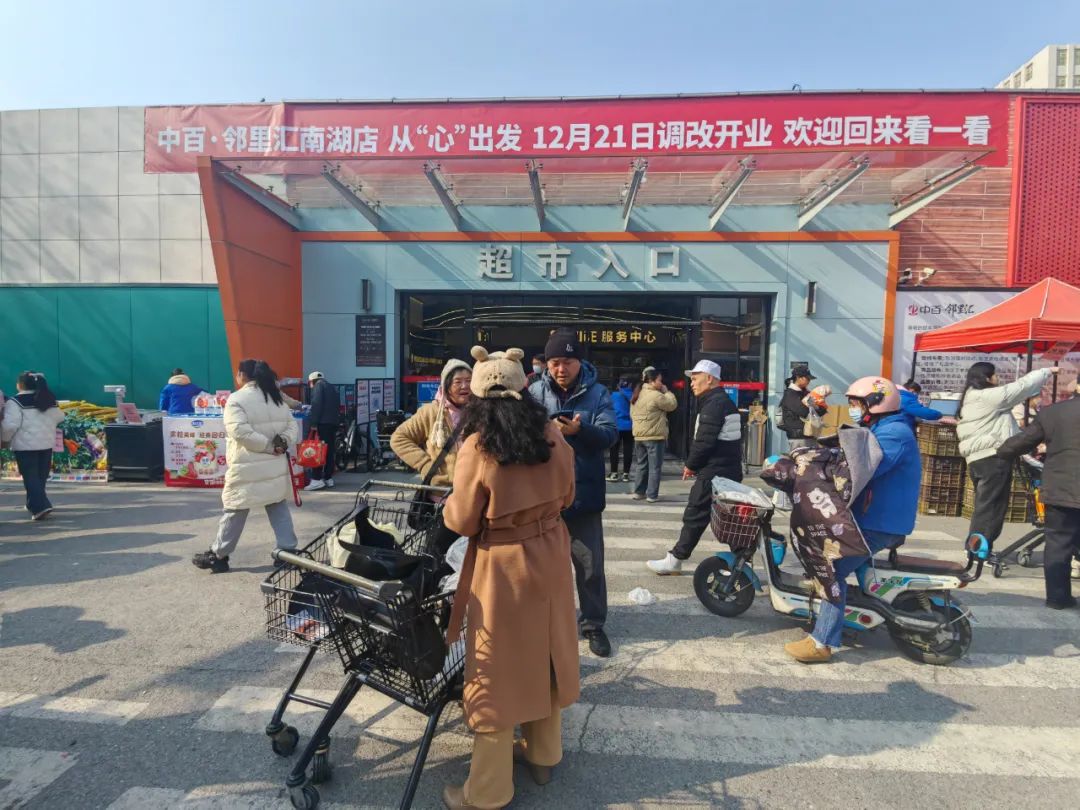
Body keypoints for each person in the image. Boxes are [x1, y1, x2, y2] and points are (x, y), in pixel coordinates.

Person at [441, 346, 579, 810]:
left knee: (496, 671)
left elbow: (463, 520)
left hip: (503, 563)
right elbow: (568, 495)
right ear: (525, 388)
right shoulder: (552, 434)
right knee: (546, 652)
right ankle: (543, 755)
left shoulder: (478, 446)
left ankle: (487, 791)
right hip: (551, 551)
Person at [529, 329, 618, 658]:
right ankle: (544, 622)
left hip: (584, 494)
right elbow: (520, 434)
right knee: (541, 567)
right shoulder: (535, 392)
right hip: (544, 497)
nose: (560, 368)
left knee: (589, 565)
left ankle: (593, 623)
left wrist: (581, 430)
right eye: (554, 362)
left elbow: (610, 435)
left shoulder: (598, 394)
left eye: (567, 361)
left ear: (579, 362)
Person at [192, 359, 299, 573]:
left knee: (236, 508)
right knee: (277, 505)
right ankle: (288, 553)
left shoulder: (237, 399)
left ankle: (219, 555)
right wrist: (282, 443)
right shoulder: (275, 397)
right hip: (274, 464)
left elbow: (239, 431)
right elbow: (292, 425)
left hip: (246, 465)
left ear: (243, 375)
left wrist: (268, 446)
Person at [647, 360, 742, 575]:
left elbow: (704, 441)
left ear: (709, 378)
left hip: (715, 473)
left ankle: (675, 559)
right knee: (728, 518)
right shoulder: (721, 401)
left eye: (695, 378)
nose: (692, 383)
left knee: (696, 514)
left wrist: (690, 465)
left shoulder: (714, 404)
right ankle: (740, 559)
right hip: (727, 470)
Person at [996, 384, 1080, 609]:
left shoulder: (1053, 412)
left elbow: (1022, 442)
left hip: (1060, 490)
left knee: (1058, 544)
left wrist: (1001, 452)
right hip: (1063, 490)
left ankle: (1057, 598)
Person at [957, 362, 1055, 550]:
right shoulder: (986, 396)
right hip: (992, 459)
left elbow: (1008, 428)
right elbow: (1021, 387)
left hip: (978, 459)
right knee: (991, 509)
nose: (998, 378)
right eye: (995, 375)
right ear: (987, 378)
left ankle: (976, 550)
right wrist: (1046, 371)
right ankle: (979, 552)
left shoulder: (973, 397)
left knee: (985, 507)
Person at [390, 358, 473, 554]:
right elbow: (399, 438)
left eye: (469, 381)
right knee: (436, 555)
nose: (464, 386)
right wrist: (426, 464)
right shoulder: (431, 412)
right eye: (458, 382)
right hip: (441, 499)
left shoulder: (480, 412)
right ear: (446, 385)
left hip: (472, 498)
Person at [1, 372, 65, 520]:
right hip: (46, 444)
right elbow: (60, 417)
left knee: (30, 477)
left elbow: (10, 426)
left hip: (25, 447)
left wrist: (5, 439)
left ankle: (40, 507)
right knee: (40, 476)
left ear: (20, 385)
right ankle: (34, 503)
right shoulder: (48, 400)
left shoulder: (15, 402)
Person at [629, 367, 677, 503]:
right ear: (651, 381)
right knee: (654, 467)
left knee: (641, 465)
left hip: (639, 436)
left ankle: (639, 492)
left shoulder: (637, 394)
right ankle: (652, 495)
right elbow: (672, 405)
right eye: (659, 380)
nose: (661, 383)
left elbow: (631, 414)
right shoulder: (656, 395)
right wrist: (667, 391)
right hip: (654, 436)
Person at [303, 371, 341, 491]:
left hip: (322, 424)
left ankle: (316, 479)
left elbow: (316, 404)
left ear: (311, 381)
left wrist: (314, 423)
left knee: (318, 450)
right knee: (329, 451)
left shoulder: (318, 386)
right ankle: (328, 478)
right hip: (332, 423)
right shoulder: (332, 387)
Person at [780, 365, 825, 450]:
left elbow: (822, 411)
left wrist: (819, 403)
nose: (809, 381)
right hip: (798, 436)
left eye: (809, 379)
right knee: (802, 458)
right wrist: (814, 406)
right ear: (798, 378)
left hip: (810, 434)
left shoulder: (805, 393)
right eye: (807, 378)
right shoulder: (791, 394)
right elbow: (804, 412)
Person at [608, 375, 635, 483]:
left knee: (614, 450)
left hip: (616, 425)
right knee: (628, 450)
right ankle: (626, 474)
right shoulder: (634, 395)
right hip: (629, 426)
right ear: (630, 385)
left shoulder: (613, 395)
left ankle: (614, 473)